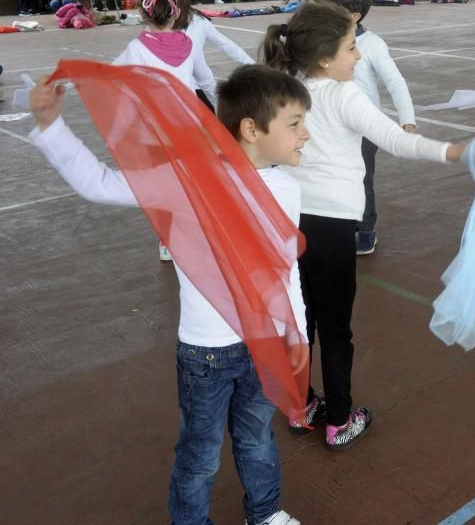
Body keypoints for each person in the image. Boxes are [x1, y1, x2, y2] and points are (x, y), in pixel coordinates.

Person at [28, 63, 308, 525]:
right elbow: (99, 184)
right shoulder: (188, 180)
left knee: (258, 437)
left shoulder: (287, 188)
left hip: (265, 344)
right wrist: (50, 124)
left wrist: (294, 330)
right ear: (251, 128)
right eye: (295, 123)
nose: (306, 134)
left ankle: (265, 513)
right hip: (207, 352)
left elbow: (284, 271)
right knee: (201, 453)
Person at [261, 2, 465, 447]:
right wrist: (454, 152)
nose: (357, 57)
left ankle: (300, 409)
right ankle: (338, 420)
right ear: (324, 59)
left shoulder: (286, 89)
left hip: (287, 222)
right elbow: (394, 139)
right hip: (332, 228)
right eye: (351, 48)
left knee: (300, 321)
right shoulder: (342, 94)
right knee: (335, 328)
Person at [313, 0, 418, 255]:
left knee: (362, 178)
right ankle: (341, 221)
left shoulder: (372, 44)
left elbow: (395, 82)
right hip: (330, 125)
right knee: (333, 174)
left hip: (363, 128)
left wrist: (407, 120)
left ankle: (365, 227)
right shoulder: (323, 40)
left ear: (354, 15)